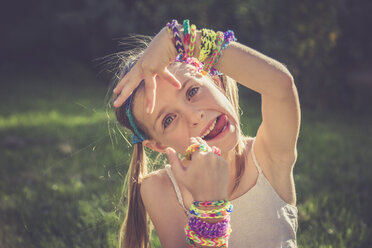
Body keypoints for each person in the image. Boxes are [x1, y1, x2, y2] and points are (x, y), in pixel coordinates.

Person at [111, 19, 301, 248]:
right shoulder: (160, 189)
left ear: (216, 81)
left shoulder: (269, 158)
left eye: (192, 91)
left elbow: (279, 84)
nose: (194, 115)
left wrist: (184, 40)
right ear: (160, 146)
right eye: (168, 120)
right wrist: (209, 206)